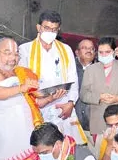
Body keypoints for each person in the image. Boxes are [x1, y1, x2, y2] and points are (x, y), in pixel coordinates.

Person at [18, 10, 86, 145]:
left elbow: (73, 77)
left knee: (66, 144)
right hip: (39, 106)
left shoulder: (65, 49)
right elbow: (22, 80)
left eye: (54, 29)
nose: (50, 32)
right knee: (44, 145)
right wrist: (41, 99)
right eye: (47, 28)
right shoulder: (25, 49)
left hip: (63, 105)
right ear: (39, 27)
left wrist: (71, 103)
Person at [80, 37, 118, 146]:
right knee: (103, 158)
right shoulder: (90, 70)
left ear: (114, 52)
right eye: (101, 52)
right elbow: (84, 95)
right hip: (100, 122)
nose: (104, 55)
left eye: (107, 52)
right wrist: (99, 97)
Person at [74, 38, 95, 144]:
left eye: (92, 48)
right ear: (77, 52)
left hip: (94, 125)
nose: (89, 51)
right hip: (73, 123)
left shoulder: (101, 69)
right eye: (85, 48)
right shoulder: (69, 68)